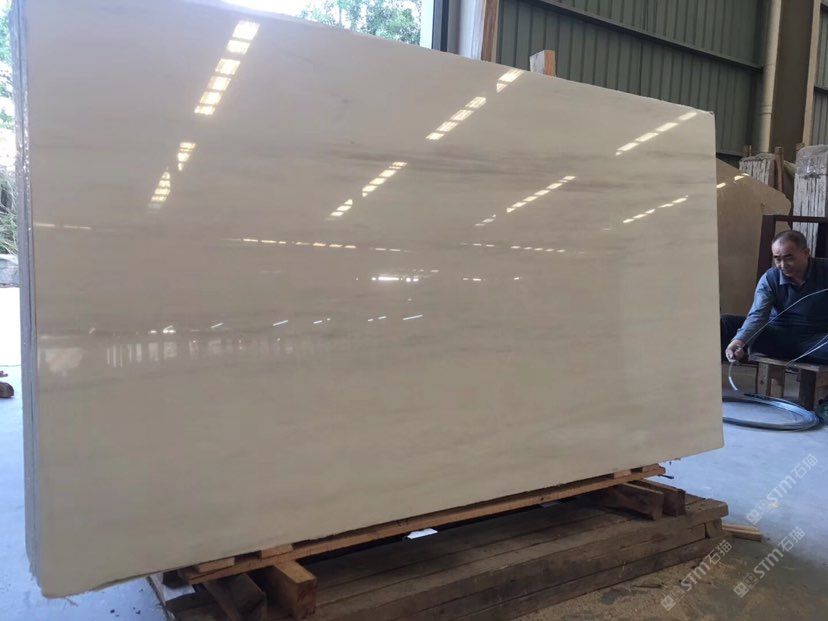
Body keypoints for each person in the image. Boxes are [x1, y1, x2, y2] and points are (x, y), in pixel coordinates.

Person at [722, 229, 828, 364]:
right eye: (777, 259)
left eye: (789, 258)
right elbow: (758, 316)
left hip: (816, 340)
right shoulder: (770, 278)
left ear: (806, 253)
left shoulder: (824, 270)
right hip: (776, 336)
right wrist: (739, 341)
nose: (783, 265)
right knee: (724, 323)